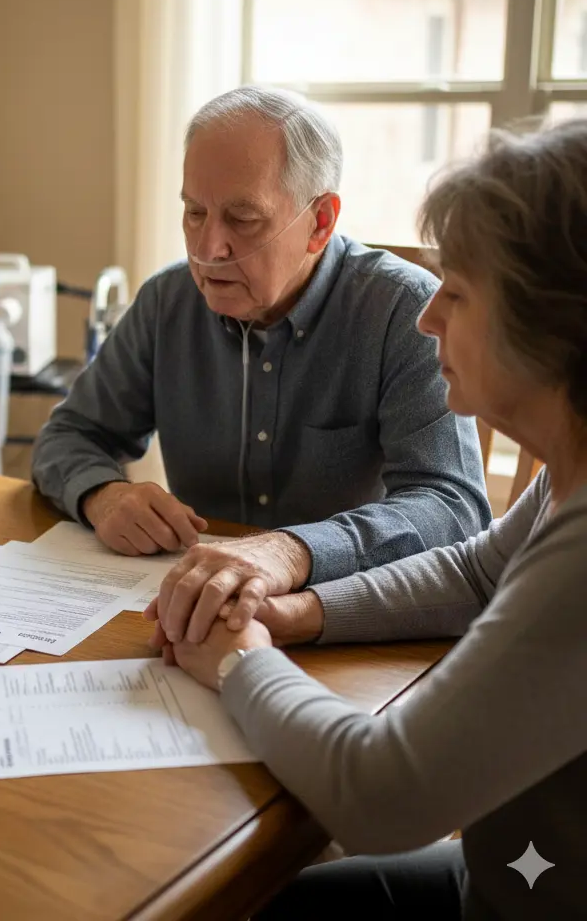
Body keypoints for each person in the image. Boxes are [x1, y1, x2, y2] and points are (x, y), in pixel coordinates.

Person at [163, 120, 587, 920]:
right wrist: (292, 617)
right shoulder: (573, 466)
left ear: (553, 327)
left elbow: (381, 795)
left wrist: (239, 660)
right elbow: (474, 571)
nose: (430, 321)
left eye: (457, 294)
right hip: (505, 876)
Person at [33, 86, 490, 642]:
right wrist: (103, 495)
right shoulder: (166, 302)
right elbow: (69, 436)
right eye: (194, 213)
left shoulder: (404, 313)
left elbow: (452, 508)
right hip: (199, 621)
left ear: (320, 222)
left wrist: (292, 550)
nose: (209, 248)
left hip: (347, 627)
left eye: (242, 218)